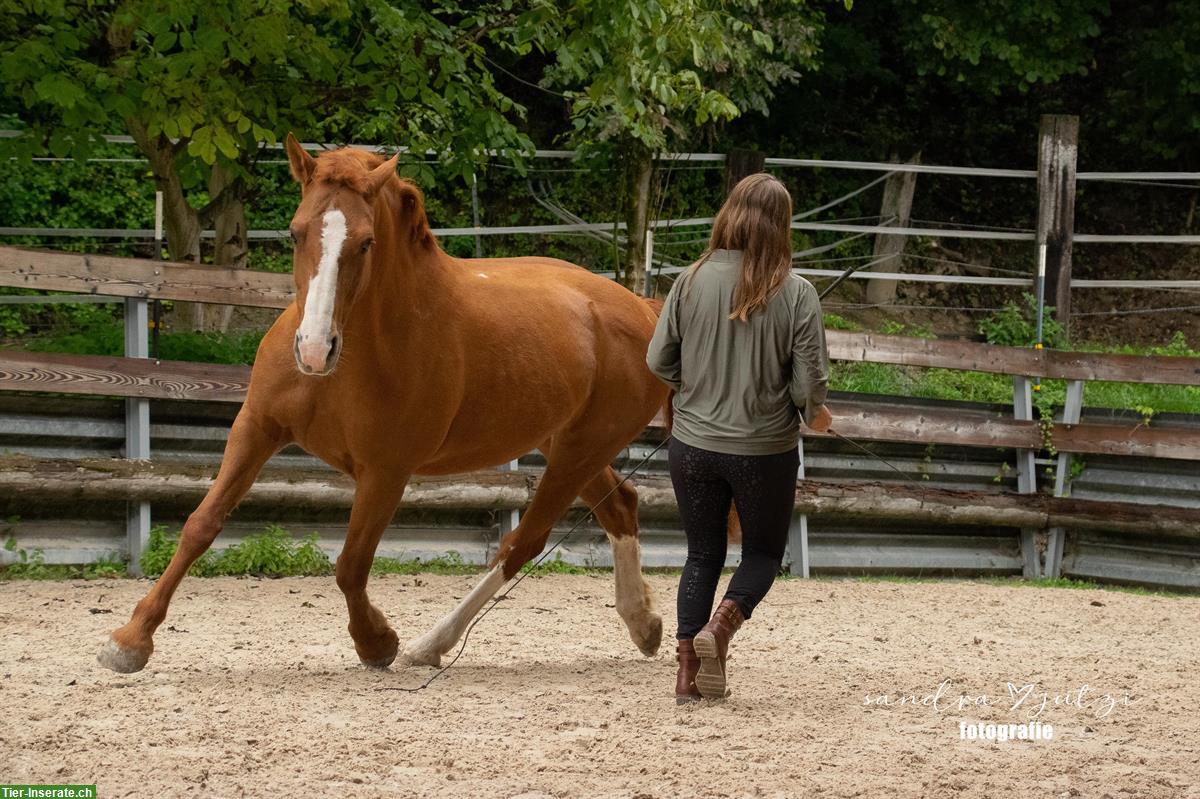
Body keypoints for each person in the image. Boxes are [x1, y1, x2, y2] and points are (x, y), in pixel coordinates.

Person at [645, 172, 832, 703]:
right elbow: (808, 382)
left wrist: (699, 387)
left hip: (693, 446)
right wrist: (811, 409)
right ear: (782, 225)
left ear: (730, 213)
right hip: (764, 451)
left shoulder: (691, 279)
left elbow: (658, 359)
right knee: (763, 555)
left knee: (701, 555)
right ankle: (719, 630)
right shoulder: (797, 292)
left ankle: (686, 678)